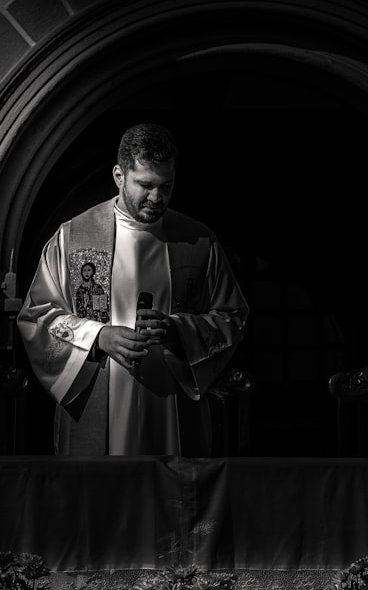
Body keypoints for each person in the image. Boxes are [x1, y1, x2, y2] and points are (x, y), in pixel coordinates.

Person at [17, 123, 249, 456]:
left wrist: (178, 331)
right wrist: (97, 337)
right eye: (145, 185)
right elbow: (36, 317)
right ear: (119, 175)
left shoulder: (198, 241)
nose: (157, 198)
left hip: (173, 410)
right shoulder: (73, 238)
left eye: (166, 186)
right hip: (100, 402)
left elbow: (233, 316)